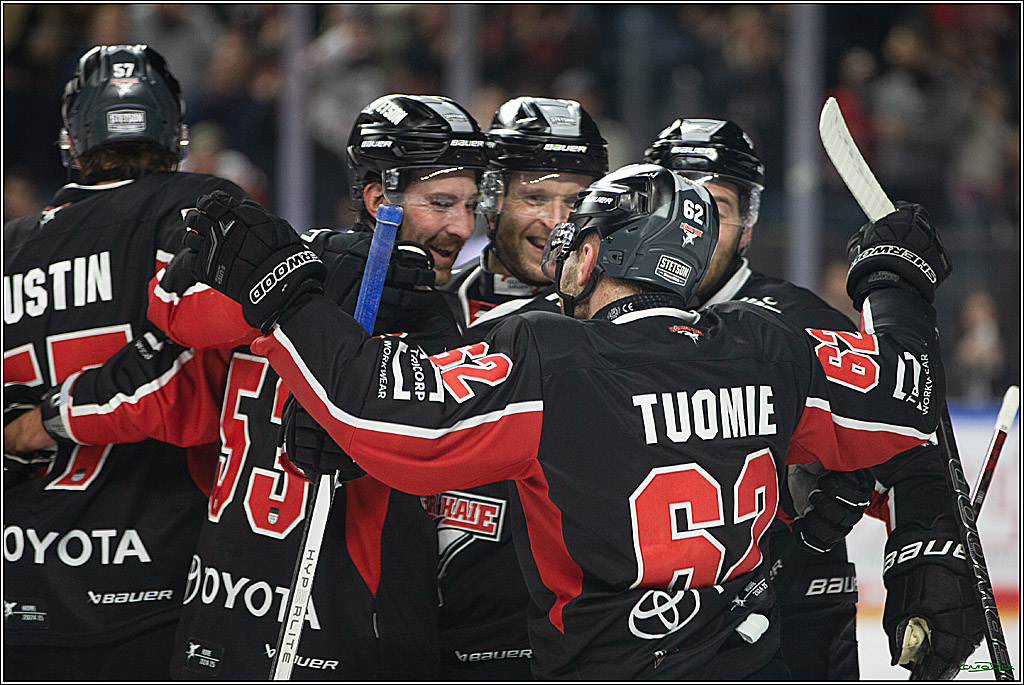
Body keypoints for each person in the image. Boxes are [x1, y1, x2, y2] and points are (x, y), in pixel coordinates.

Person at [181, 163, 954, 679]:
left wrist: (279, 290)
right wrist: (893, 286)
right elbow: (908, 399)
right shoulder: (765, 345)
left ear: (596, 254)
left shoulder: (554, 353)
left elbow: (384, 412)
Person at [5, 94, 487, 680]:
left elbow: (173, 322)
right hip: (318, 623)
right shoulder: (313, 274)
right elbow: (175, 311)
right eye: (441, 203)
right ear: (377, 197)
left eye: (470, 204)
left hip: (229, 607)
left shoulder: (315, 276)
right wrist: (307, 283)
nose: (462, 227)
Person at [642, 118, 984, 679]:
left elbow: (911, 445)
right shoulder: (604, 316)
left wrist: (929, 559)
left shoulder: (797, 321)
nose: (693, 225)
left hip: (795, 614)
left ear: (749, 227)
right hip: (655, 625)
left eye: (717, 207)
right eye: (679, 199)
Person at [2, 45, 247, 680]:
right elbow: (191, 378)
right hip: (157, 583)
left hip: (19, 583)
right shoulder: (201, 203)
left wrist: (26, 423)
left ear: (72, 139)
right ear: (174, 133)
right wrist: (53, 417)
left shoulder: (10, 246)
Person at [433, 96, 608, 679]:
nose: (557, 221)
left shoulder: (625, 330)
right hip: (429, 630)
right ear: (491, 201)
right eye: (535, 197)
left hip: (569, 644)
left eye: (576, 201)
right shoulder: (433, 311)